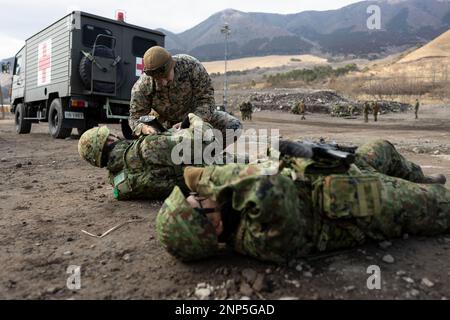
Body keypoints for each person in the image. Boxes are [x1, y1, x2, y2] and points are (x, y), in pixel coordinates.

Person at [156, 139, 448, 263]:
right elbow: (271, 186)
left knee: (383, 148)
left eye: (195, 193)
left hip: (335, 170)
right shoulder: (258, 238)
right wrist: (205, 177)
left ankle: (418, 178)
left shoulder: (232, 203)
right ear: (214, 228)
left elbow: (258, 167)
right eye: (197, 201)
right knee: (442, 204)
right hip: (369, 202)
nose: (199, 194)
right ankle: (421, 192)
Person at [78, 114, 221, 200]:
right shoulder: (146, 145)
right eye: (111, 135)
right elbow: (206, 140)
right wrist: (193, 119)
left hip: (194, 186)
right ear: (109, 140)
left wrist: (170, 134)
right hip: (216, 175)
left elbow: (155, 167)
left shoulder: (119, 187)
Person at [129, 46, 242, 143]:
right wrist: (144, 128)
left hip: (196, 118)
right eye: (158, 80)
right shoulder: (142, 86)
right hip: (164, 127)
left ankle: (208, 156)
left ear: (172, 66)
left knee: (233, 126)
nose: (163, 83)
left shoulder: (191, 67)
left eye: (165, 77)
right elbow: (135, 118)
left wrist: (190, 122)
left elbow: (206, 101)